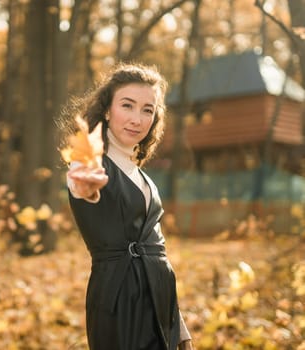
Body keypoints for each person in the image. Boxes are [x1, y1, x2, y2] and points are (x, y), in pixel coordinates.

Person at [62, 63, 193, 350]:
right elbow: (81, 183)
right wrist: (84, 185)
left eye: (148, 109)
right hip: (119, 301)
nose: (137, 118)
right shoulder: (90, 160)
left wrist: (179, 327)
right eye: (127, 105)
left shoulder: (142, 176)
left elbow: (156, 254)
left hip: (161, 304)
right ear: (108, 110)